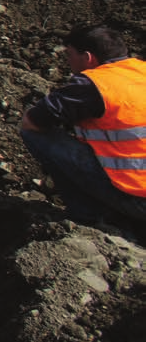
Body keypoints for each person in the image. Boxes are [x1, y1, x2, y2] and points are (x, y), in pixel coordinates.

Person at [20, 25, 146, 230]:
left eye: (70, 55)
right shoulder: (141, 71)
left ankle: (88, 215)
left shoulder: (94, 85)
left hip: (139, 200)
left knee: (36, 136)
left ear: (88, 58)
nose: (67, 62)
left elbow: (32, 122)